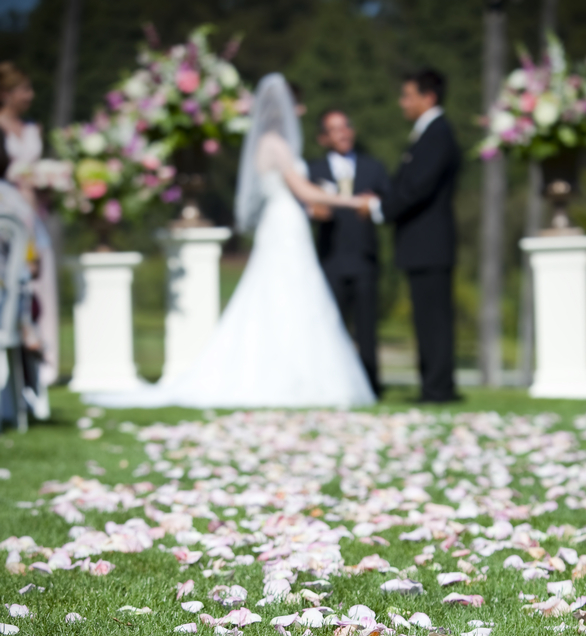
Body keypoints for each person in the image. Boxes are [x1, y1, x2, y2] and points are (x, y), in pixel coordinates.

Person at [86, 74, 375, 410]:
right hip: (283, 225)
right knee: (283, 297)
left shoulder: (274, 142)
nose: (302, 110)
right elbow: (303, 190)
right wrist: (353, 201)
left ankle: (298, 376)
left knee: (292, 297)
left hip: (287, 224)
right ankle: (290, 379)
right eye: (297, 104)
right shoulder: (275, 144)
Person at [376, 68, 460, 403]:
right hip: (423, 244)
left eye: (407, 96)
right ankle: (434, 385)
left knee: (434, 318)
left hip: (431, 242)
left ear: (429, 97)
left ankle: (438, 389)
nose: (402, 103)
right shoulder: (427, 133)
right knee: (426, 318)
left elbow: (417, 187)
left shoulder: (437, 133)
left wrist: (382, 209)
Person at [308, 110, 389, 396]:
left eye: (346, 126)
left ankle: (369, 385)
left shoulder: (373, 168)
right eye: (334, 129)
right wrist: (313, 211)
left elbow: (390, 206)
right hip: (331, 259)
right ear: (323, 137)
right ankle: (332, 385)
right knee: (332, 326)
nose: (343, 133)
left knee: (367, 328)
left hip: (364, 258)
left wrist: (375, 206)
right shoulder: (312, 170)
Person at [0, 62, 58, 414]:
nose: (30, 95)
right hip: (17, 221)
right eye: (23, 88)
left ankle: (41, 362)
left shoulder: (33, 127)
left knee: (35, 290)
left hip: (30, 221)